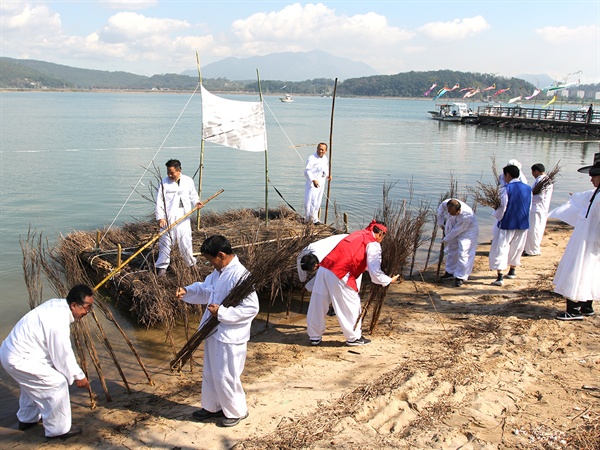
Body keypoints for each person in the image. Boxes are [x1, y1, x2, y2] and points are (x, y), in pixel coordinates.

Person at [176, 235, 259, 427]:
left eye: (210, 259)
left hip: (230, 335)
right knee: (212, 372)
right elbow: (206, 290)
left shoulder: (240, 275)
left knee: (226, 374)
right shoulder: (219, 272)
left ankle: (236, 410)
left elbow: (251, 308)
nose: (209, 263)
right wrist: (187, 291)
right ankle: (212, 406)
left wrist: (222, 312)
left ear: (221, 255)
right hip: (214, 332)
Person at [0, 285, 93, 439]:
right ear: (74, 305)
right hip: (18, 358)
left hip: (14, 353)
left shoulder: (57, 304)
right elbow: (62, 352)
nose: (87, 312)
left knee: (33, 384)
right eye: (86, 308)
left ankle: (27, 419)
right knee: (57, 383)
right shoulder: (58, 319)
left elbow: (55, 351)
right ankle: (58, 429)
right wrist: (78, 376)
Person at [306, 220, 400, 346]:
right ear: (381, 233)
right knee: (351, 305)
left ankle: (314, 336)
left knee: (318, 303)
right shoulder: (373, 244)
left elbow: (355, 257)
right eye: (384, 235)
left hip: (325, 268)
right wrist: (388, 280)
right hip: (341, 272)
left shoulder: (357, 234)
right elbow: (374, 271)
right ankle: (353, 338)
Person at [550, 153, 600, 320]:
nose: (591, 179)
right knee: (589, 271)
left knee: (577, 270)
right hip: (588, 239)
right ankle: (587, 306)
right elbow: (581, 199)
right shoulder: (596, 193)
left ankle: (574, 310)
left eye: (594, 176)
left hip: (588, 241)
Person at [155, 159, 202, 276]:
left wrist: (197, 202)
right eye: (168, 172)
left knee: (185, 240)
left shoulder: (188, 181)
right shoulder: (163, 183)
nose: (170, 175)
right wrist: (161, 218)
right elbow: (159, 202)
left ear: (179, 170)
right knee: (165, 243)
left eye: (172, 173)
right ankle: (162, 266)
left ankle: (191, 264)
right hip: (168, 217)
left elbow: (193, 195)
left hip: (183, 217)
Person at [489, 165, 532, 286]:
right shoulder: (528, 188)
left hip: (507, 222)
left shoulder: (506, 188)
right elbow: (529, 206)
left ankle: (500, 276)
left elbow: (503, 207)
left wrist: (497, 216)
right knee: (517, 247)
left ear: (508, 175)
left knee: (501, 248)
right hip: (523, 222)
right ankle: (512, 270)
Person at [436, 199, 479, 287]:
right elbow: (439, 213)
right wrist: (441, 224)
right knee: (452, 250)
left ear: (458, 210)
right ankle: (450, 271)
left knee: (463, 252)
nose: (452, 214)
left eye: (455, 213)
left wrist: (446, 239)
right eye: (450, 212)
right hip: (454, 225)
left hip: (468, 231)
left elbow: (457, 231)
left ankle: (460, 276)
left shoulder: (466, 215)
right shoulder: (445, 203)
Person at [523, 163, 554, 256]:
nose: (532, 174)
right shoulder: (546, 180)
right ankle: (531, 248)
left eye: (533, 172)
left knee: (534, 229)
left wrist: (528, 196)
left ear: (536, 171)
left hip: (537, 208)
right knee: (536, 228)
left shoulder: (541, 181)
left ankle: (532, 250)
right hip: (540, 208)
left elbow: (540, 197)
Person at [304, 143, 331, 225]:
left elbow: (325, 169)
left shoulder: (325, 158)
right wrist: (313, 180)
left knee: (318, 201)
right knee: (311, 201)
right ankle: (310, 219)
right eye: (319, 149)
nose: (321, 151)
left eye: (323, 150)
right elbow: (307, 171)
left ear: (326, 151)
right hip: (313, 183)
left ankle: (315, 218)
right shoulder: (312, 158)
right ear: (317, 149)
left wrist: (328, 175)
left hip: (321, 182)